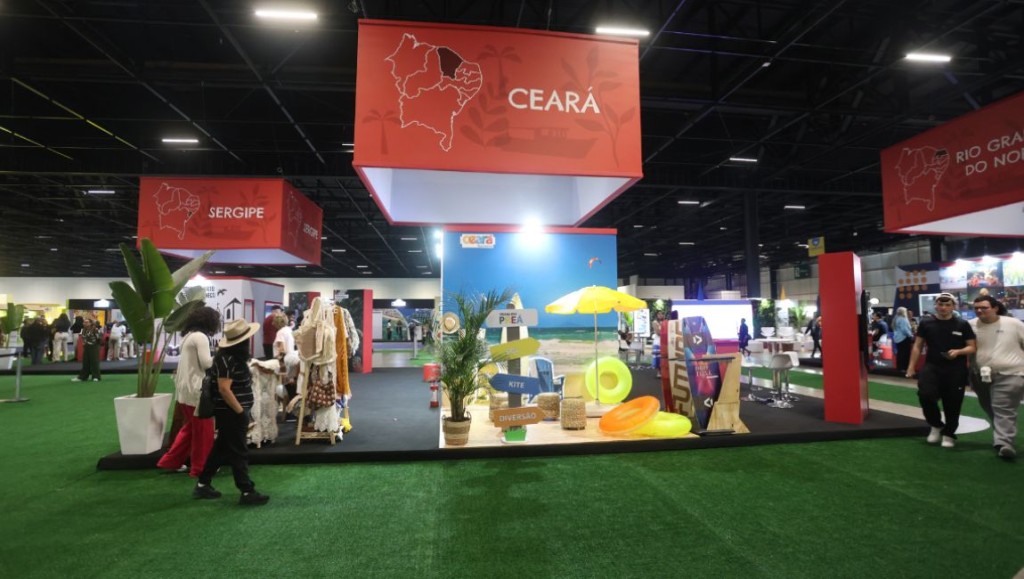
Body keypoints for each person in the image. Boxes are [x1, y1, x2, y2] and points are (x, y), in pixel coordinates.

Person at [193, 318, 269, 506]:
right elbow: (224, 389)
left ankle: (203, 484)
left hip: (232, 411)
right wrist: (240, 412)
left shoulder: (229, 358)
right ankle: (246, 490)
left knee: (221, 449)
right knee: (238, 451)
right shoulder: (227, 359)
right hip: (231, 412)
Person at [906, 292, 976, 449]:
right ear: (936, 305)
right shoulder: (926, 323)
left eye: (947, 305)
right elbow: (917, 346)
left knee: (953, 402)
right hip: (932, 367)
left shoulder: (962, 324)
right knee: (925, 395)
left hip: (956, 369)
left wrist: (958, 352)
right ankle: (936, 424)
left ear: (953, 306)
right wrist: (911, 366)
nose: (943, 307)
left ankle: (949, 433)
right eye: (940, 304)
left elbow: (972, 347)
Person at [157, 306, 219, 477]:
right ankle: (201, 468)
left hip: (185, 390)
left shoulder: (189, 336)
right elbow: (206, 363)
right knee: (203, 432)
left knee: (190, 430)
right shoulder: (201, 337)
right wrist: (221, 356)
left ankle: (170, 461)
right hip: (196, 391)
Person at [969, 296, 1024, 460]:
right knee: (989, 407)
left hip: (1011, 373)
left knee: (1003, 408)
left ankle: (1004, 444)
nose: (979, 311)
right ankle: (1002, 435)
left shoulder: (1013, 324)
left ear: (995, 308)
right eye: (976, 308)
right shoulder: (970, 325)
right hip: (980, 375)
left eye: (984, 307)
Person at [72, 317, 102, 382]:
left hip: (94, 347)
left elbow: (99, 338)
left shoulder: (95, 329)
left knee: (94, 362)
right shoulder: (83, 330)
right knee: (85, 362)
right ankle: (83, 377)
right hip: (86, 347)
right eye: (84, 322)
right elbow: (83, 338)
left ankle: (96, 376)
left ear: (90, 323)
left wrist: (97, 345)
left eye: (87, 322)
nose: (85, 323)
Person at [892, 307, 914, 373]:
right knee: (905, 354)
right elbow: (904, 330)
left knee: (900, 353)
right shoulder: (903, 319)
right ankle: (904, 368)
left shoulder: (896, 318)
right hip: (904, 338)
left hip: (897, 338)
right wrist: (911, 335)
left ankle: (900, 367)